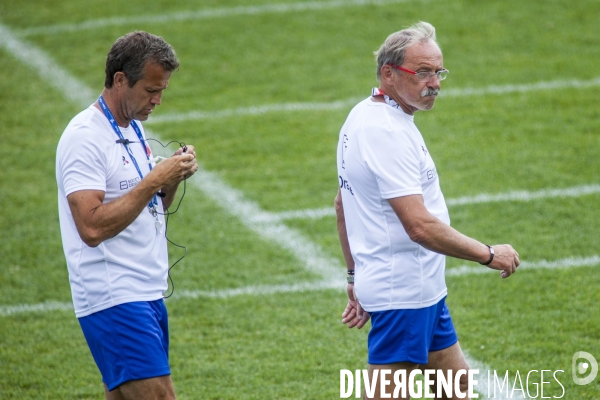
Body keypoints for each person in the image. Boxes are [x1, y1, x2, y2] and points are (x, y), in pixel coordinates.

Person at [335, 22, 520, 399]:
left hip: (422, 292)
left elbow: (342, 204)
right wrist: (488, 254)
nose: (434, 82)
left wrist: (355, 274)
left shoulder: (364, 115)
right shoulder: (386, 132)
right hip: (404, 293)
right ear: (388, 73)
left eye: (438, 72)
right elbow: (419, 226)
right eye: (422, 72)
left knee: (457, 390)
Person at [56, 31, 198, 400]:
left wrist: (170, 180)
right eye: (151, 90)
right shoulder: (85, 137)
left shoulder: (133, 128)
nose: (158, 100)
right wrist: (154, 180)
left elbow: (152, 208)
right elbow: (90, 226)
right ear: (121, 80)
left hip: (145, 291)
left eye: (162, 89)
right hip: (114, 295)